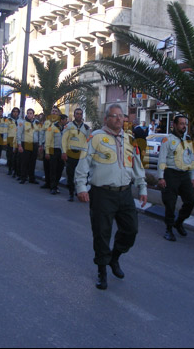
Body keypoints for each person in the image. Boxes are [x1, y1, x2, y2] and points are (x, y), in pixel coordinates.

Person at [75, 104, 148, 290]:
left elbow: (137, 165)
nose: (118, 119)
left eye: (121, 116)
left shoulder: (129, 139)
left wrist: (142, 187)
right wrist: (81, 187)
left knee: (131, 230)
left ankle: (114, 257)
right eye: (114, 116)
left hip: (125, 193)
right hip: (102, 194)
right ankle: (102, 271)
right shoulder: (95, 137)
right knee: (102, 233)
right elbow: (84, 162)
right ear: (106, 118)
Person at [157, 115, 194, 241]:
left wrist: (192, 177)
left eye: (185, 124)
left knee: (190, 201)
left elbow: (191, 159)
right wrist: (161, 177)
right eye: (181, 123)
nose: (184, 126)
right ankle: (168, 229)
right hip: (171, 173)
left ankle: (178, 222)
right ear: (174, 125)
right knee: (170, 203)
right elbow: (162, 159)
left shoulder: (188, 140)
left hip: (184, 174)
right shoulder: (167, 140)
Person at [62, 108, 91, 202]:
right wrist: (64, 152)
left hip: (81, 155)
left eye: (80, 114)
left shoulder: (86, 128)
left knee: (82, 174)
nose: (79, 115)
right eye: (77, 114)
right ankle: (71, 193)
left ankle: (80, 191)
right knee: (70, 175)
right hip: (70, 154)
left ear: (82, 115)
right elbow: (64, 140)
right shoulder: (68, 126)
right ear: (74, 115)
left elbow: (88, 142)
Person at [45, 113, 68, 195]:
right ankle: (53, 187)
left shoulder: (65, 129)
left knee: (60, 169)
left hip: (61, 151)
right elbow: (48, 140)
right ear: (61, 120)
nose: (66, 121)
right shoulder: (51, 127)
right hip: (53, 149)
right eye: (65, 120)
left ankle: (56, 185)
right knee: (53, 169)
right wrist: (47, 152)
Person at [17, 108, 40, 185]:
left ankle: (31, 178)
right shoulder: (22, 122)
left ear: (33, 115)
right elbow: (19, 134)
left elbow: (39, 133)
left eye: (31, 113)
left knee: (33, 162)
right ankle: (23, 177)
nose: (29, 115)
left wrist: (40, 144)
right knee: (24, 162)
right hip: (26, 143)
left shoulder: (37, 123)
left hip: (34, 144)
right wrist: (19, 145)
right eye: (28, 113)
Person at [6, 107, 21, 176]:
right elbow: (5, 130)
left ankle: (15, 170)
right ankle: (10, 169)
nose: (15, 113)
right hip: (10, 139)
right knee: (10, 155)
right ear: (12, 112)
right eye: (14, 111)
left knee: (16, 156)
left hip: (17, 140)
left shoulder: (21, 121)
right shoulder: (8, 120)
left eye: (17, 112)